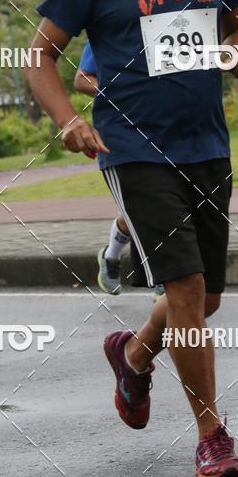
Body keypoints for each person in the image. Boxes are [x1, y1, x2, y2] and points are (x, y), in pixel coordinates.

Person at [26, 0, 238, 477]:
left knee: (206, 300)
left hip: (208, 146)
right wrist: (68, 118)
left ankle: (132, 356)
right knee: (183, 287)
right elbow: (40, 54)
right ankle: (212, 435)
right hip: (134, 153)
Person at [74, 42, 131, 295]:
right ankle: (166, 283)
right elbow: (83, 79)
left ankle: (111, 257)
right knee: (141, 209)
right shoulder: (110, 25)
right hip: (125, 133)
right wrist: (125, 93)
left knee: (169, 205)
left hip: (172, 130)